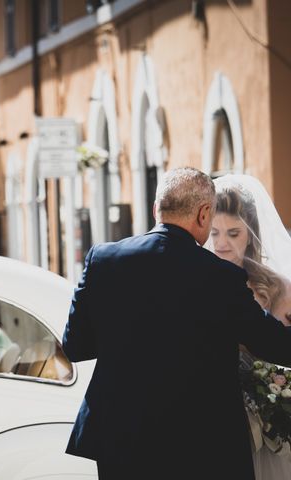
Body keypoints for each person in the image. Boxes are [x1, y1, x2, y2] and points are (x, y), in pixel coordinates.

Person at [62, 167, 291, 480]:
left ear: (157, 209)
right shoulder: (221, 278)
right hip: (200, 442)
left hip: (121, 438)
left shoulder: (102, 259)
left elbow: (75, 346)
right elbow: (273, 343)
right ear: (203, 214)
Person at [208, 174, 291, 478]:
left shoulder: (279, 288)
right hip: (213, 424)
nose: (221, 244)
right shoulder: (199, 284)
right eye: (214, 232)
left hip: (271, 425)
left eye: (233, 233)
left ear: (251, 234)